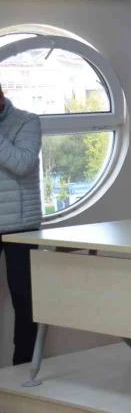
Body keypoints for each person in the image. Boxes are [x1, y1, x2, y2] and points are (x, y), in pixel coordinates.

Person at [0, 85, 42, 366]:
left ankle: (24, 366)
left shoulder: (27, 121)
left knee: (25, 300)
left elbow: (23, 164)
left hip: (20, 225)